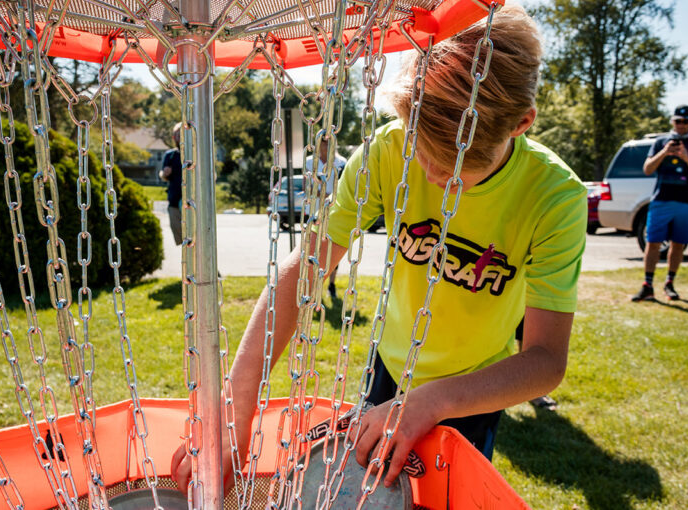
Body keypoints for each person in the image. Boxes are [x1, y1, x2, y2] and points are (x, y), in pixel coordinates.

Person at [171, 3, 586, 492]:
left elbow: (543, 359)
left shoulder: (556, 196)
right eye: (422, 151)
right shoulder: (388, 151)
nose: (433, 176)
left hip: (472, 389)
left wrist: (431, 402)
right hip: (390, 368)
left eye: (457, 166)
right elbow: (305, 268)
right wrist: (236, 411)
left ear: (521, 123)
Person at [631, 105, 688, 302]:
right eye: (678, 121)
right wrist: (665, 152)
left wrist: (686, 158)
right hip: (661, 199)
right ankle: (647, 285)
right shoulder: (660, 143)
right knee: (653, 242)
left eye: (685, 121)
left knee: (678, 244)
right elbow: (647, 169)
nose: (681, 125)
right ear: (672, 122)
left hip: (685, 201)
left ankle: (669, 283)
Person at [304, 136, 347, 300]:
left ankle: (331, 284)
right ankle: (314, 288)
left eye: (328, 144)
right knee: (314, 250)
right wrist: (321, 192)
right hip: (314, 213)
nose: (325, 147)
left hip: (333, 212)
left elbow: (343, 190)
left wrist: (329, 196)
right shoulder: (310, 163)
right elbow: (306, 187)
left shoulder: (341, 162)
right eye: (322, 144)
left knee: (332, 250)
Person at [160, 123, 183, 246]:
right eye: (177, 135)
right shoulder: (171, 155)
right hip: (174, 201)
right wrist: (165, 173)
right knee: (180, 238)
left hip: (192, 203)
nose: (180, 137)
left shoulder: (196, 155)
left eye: (182, 134)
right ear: (174, 138)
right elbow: (162, 174)